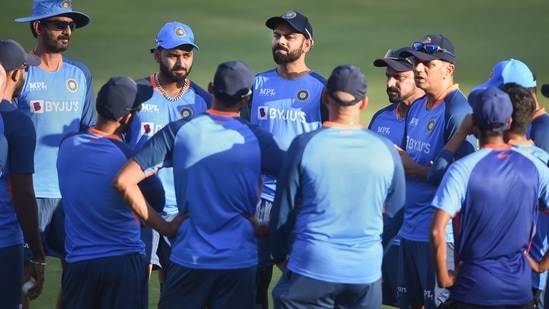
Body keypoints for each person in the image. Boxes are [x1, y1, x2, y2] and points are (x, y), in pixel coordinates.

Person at [113, 60, 285, 309]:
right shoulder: (259, 140)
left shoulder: (180, 131)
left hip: (188, 261)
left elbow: (123, 181)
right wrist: (270, 226)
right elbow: (302, 184)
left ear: (211, 89)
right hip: (238, 264)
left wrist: (164, 226)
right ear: (246, 100)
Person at [269, 64, 406, 309]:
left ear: (324, 97)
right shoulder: (386, 150)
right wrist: (372, 252)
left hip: (312, 266)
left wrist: (279, 255)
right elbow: (395, 217)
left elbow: (282, 212)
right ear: (363, 103)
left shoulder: (304, 145)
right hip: (364, 273)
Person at [56, 76, 181, 309]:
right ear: (127, 118)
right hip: (122, 263)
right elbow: (158, 200)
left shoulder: (67, 145)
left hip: (78, 264)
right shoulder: (129, 158)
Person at [430, 86, 549, 308]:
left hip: (472, 291)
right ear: (510, 122)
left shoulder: (463, 170)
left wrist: (444, 278)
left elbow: (437, 230)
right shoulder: (535, 167)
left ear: (473, 122)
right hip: (520, 292)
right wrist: (542, 264)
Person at [13, 1, 96, 306]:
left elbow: (88, 133)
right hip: (26, 194)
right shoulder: (19, 72)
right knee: (22, 277)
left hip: (69, 196)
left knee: (77, 274)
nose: (67, 30)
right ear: (38, 27)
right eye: (59, 24)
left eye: (70, 25)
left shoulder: (80, 73)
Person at [244, 11, 327, 308]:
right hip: (259, 199)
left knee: (301, 279)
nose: (280, 41)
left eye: (289, 36)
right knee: (254, 281)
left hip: (302, 200)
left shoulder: (322, 89)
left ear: (307, 44)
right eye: (277, 35)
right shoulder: (257, 84)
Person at [124, 20, 212, 288]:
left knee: (177, 291)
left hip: (184, 211)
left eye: (187, 55)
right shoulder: (135, 93)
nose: (181, 62)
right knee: (137, 285)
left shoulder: (202, 101)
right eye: (173, 55)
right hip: (142, 208)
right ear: (157, 54)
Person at [396, 34, 477, 309]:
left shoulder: (457, 111)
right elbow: (409, 158)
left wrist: (414, 169)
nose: (418, 68)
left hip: (440, 236)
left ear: (449, 69)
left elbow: (463, 178)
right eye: (417, 62)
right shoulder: (417, 105)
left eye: (427, 64)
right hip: (409, 230)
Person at [370, 46, 425, 306]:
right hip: (388, 235)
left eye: (399, 77)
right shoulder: (380, 118)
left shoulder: (434, 119)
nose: (390, 83)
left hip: (421, 235)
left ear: (418, 75)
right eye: (388, 76)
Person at [0, 39, 45, 309]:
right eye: (26, 70)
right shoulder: (17, 123)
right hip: (5, 243)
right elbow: (23, 194)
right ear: (16, 73)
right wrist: (37, 254)